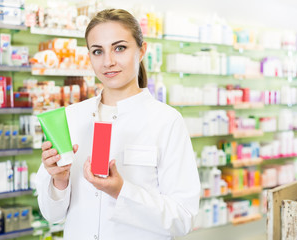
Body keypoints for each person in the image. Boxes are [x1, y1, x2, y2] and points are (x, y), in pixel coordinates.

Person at [36, 8, 200, 240]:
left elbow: (182, 219)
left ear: (142, 51)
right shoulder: (71, 117)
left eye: (119, 48)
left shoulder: (166, 121)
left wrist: (121, 190)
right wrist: (58, 180)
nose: (108, 62)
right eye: (97, 51)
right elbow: (51, 214)